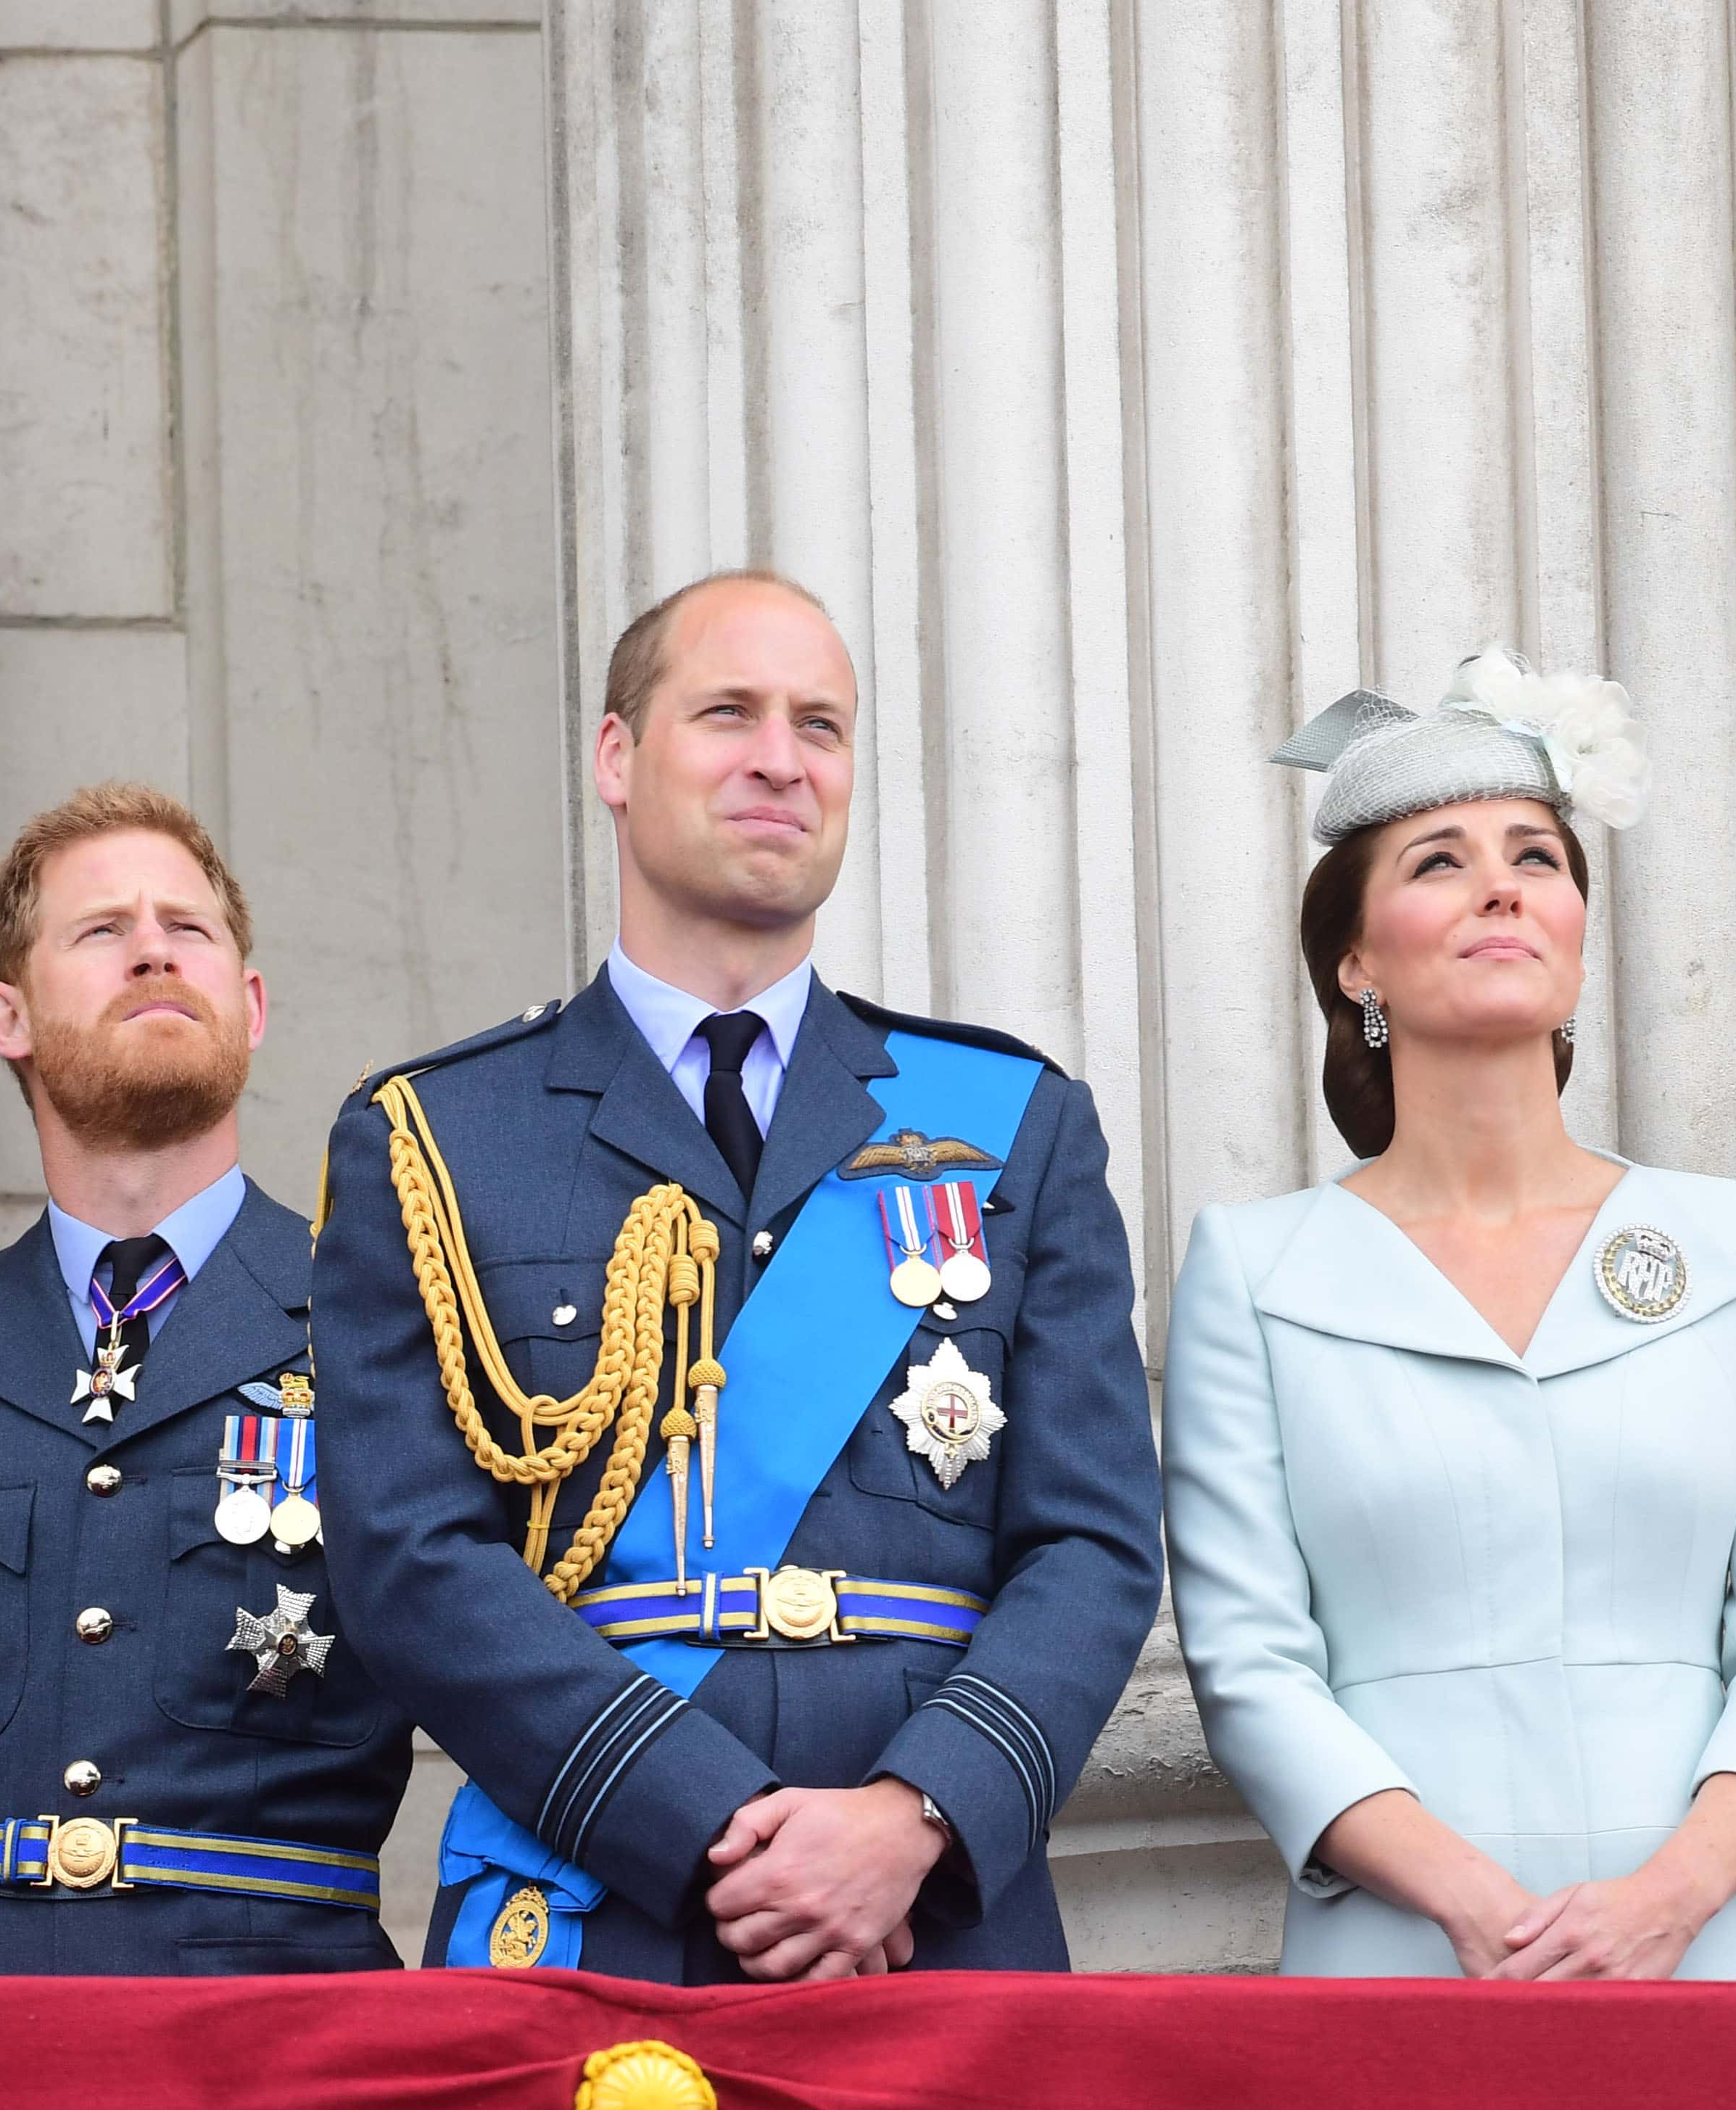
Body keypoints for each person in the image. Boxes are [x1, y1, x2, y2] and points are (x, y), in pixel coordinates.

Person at [311, 572, 1162, 1983]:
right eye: (727, 713)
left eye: (819, 726)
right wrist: (713, 1820)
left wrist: (911, 1815)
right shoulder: (436, 1138)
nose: (780, 758)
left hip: (927, 1919)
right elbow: (408, 1562)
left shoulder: (1012, 1121)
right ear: (613, 757)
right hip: (604, 1901)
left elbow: (1089, 1545)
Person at [1165, 651, 1736, 1979]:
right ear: (1356, 961)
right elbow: (1251, 1663)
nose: (1501, 883)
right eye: (1438, 860)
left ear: (1577, 936)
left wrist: (1669, 1896)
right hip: (1407, 1959)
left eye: (1536, 855)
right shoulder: (1256, 1273)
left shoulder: (1729, 1242)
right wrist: (1480, 1909)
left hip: (1713, 1953)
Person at [0, 786, 413, 1974]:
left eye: (189, 930)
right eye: (103, 930)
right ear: (7, 1014)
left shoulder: (392, 1333)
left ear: (252, 1003)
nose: (152, 950)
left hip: (277, 2044)